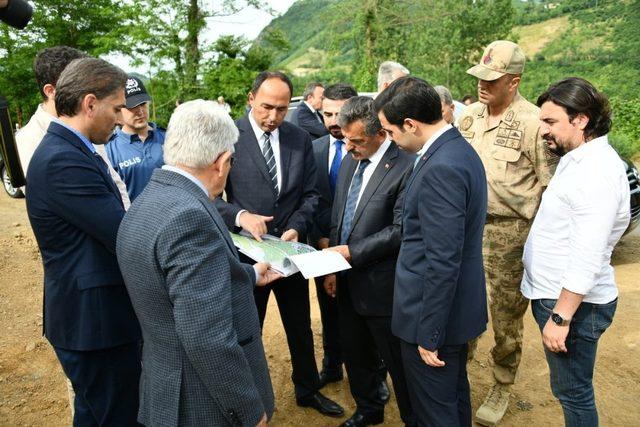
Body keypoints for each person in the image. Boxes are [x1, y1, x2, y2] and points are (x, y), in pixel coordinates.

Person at [117, 100, 281, 426]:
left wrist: (248, 274)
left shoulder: (147, 201)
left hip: (166, 385)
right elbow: (207, 336)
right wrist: (249, 412)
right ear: (221, 162)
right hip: (202, 403)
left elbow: (177, 287)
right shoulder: (189, 217)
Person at [214, 71, 344, 418]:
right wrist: (241, 215)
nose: (273, 117)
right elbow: (208, 196)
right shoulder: (227, 136)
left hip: (289, 254)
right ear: (250, 99)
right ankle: (248, 400)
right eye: (267, 107)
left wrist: (298, 227)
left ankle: (307, 389)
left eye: (282, 109)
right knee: (248, 329)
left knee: (300, 327)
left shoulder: (298, 139)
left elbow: (311, 194)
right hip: (247, 257)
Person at [25, 57, 141, 425]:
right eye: (117, 107)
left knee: (94, 416)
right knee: (119, 417)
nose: (123, 117)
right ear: (90, 104)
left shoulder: (71, 149)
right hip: (95, 324)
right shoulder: (63, 159)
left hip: (92, 319)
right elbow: (122, 232)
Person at [375, 76, 488, 426]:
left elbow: (442, 258)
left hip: (434, 317)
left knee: (435, 413)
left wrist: (430, 333)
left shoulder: (441, 166)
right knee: (452, 402)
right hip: (450, 312)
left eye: (391, 132)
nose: (390, 140)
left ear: (411, 124)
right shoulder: (454, 149)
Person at [457, 40, 558, 426]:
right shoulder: (468, 118)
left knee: (505, 318)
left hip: (510, 236)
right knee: (462, 304)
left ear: (513, 82)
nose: (483, 85)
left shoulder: (535, 123)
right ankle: (458, 368)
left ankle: (501, 382)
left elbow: (550, 190)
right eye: (480, 77)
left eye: (493, 79)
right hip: (467, 230)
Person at [522, 78, 629, 427]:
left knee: (573, 392)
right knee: (571, 390)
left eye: (550, 122)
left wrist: (560, 317)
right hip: (561, 298)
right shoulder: (579, 158)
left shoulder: (595, 172)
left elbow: (588, 254)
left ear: (581, 119)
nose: (543, 131)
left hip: (571, 306)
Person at [324, 96, 415, 427]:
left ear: (381, 135)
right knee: (355, 352)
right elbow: (339, 217)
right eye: (346, 138)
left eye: (357, 140)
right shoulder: (350, 160)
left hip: (384, 287)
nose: (348, 146)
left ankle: (413, 417)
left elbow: (400, 230)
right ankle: (369, 408)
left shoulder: (407, 166)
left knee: (397, 362)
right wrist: (334, 267)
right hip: (346, 279)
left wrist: (351, 254)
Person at [16, 46, 130, 208]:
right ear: (51, 91)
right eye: (74, 80)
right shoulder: (27, 140)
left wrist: (128, 222)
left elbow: (115, 181)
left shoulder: (87, 125)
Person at [309, 83, 358, 387]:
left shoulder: (368, 150)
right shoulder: (312, 150)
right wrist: (321, 241)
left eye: (339, 114)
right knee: (327, 306)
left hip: (359, 248)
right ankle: (331, 364)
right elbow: (309, 199)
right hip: (320, 247)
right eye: (327, 113)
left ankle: (370, 372)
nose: (332, 121)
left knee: (360, 311)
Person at [106, 75, 166, 201]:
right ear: (119, 110)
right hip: (134, 219)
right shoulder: (109, 150)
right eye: (132, 107)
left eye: (143, 104)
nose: (140, 112)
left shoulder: (168, 138)